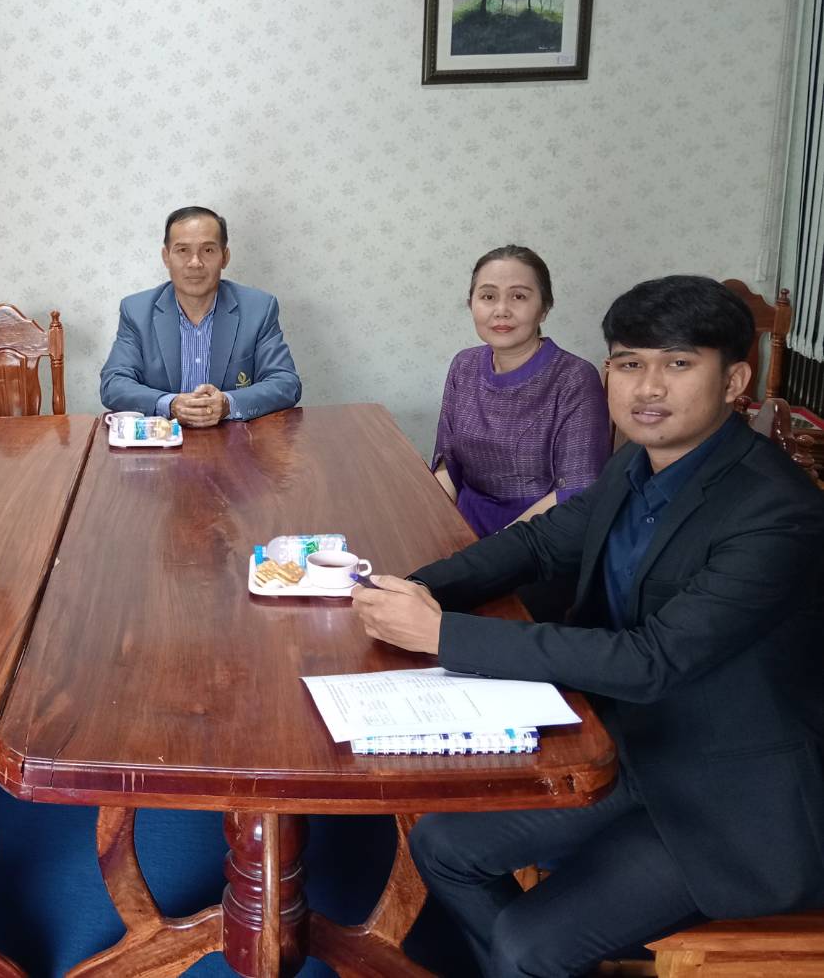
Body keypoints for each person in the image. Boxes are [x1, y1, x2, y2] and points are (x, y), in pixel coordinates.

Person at [351, 276, 824, 978]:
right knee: (442, 846)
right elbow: (539, 544)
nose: (648, 387)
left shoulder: (776, 511)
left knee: (528, 946)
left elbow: (651, 660)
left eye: (678, 363)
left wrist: (442, 635)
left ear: (734, 382)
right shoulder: (635, 464)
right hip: (625, 749)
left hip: (725, 801)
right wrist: (414, 588)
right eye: (630, 363)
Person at [433, 245, 610, 537]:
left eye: (519, 297)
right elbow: (448, 464)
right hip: (464, 522)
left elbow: (577, 489)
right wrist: (436, 525)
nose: (501, 310)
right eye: (488, 297)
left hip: (540, 534)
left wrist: (493, 551)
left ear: (544, 309)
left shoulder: (574, 377)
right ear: (471, 304)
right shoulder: (464, 365)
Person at [100, 206, 301, 426]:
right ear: (166, 257)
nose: (195, 262)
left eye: (208, 250)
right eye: (183, 250)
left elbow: (286, 383)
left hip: (236, 441)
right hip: (162, 441)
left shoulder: (258, 309)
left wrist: (228, 403)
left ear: (225, 257)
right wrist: (170, 404)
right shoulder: (137, 310)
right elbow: (114, 384)